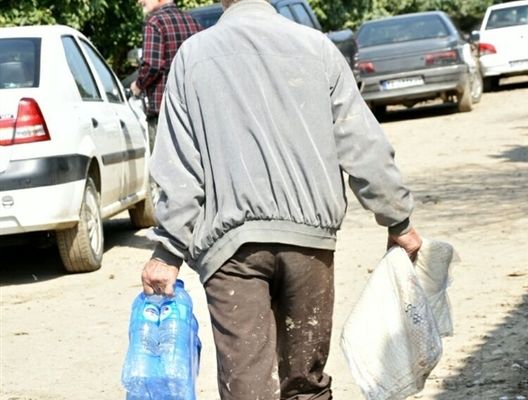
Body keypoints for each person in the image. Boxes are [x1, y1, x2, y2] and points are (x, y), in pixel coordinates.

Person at [141, 0, 423, 398]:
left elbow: (179, 166)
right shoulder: (316, 47)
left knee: (248, 388)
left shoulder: (194, 57)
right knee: (304, 384)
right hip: (308, 243)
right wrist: (398, 221)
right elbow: (362, 144)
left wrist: (167, 252)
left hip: (230, 252)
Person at [130, 0, 200, 152]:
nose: (139, 1)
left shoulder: (154, 23)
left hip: (164, 115)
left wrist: (138, 85)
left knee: (162, 172)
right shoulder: (192, 22)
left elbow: (152, 65)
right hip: (192, 113)